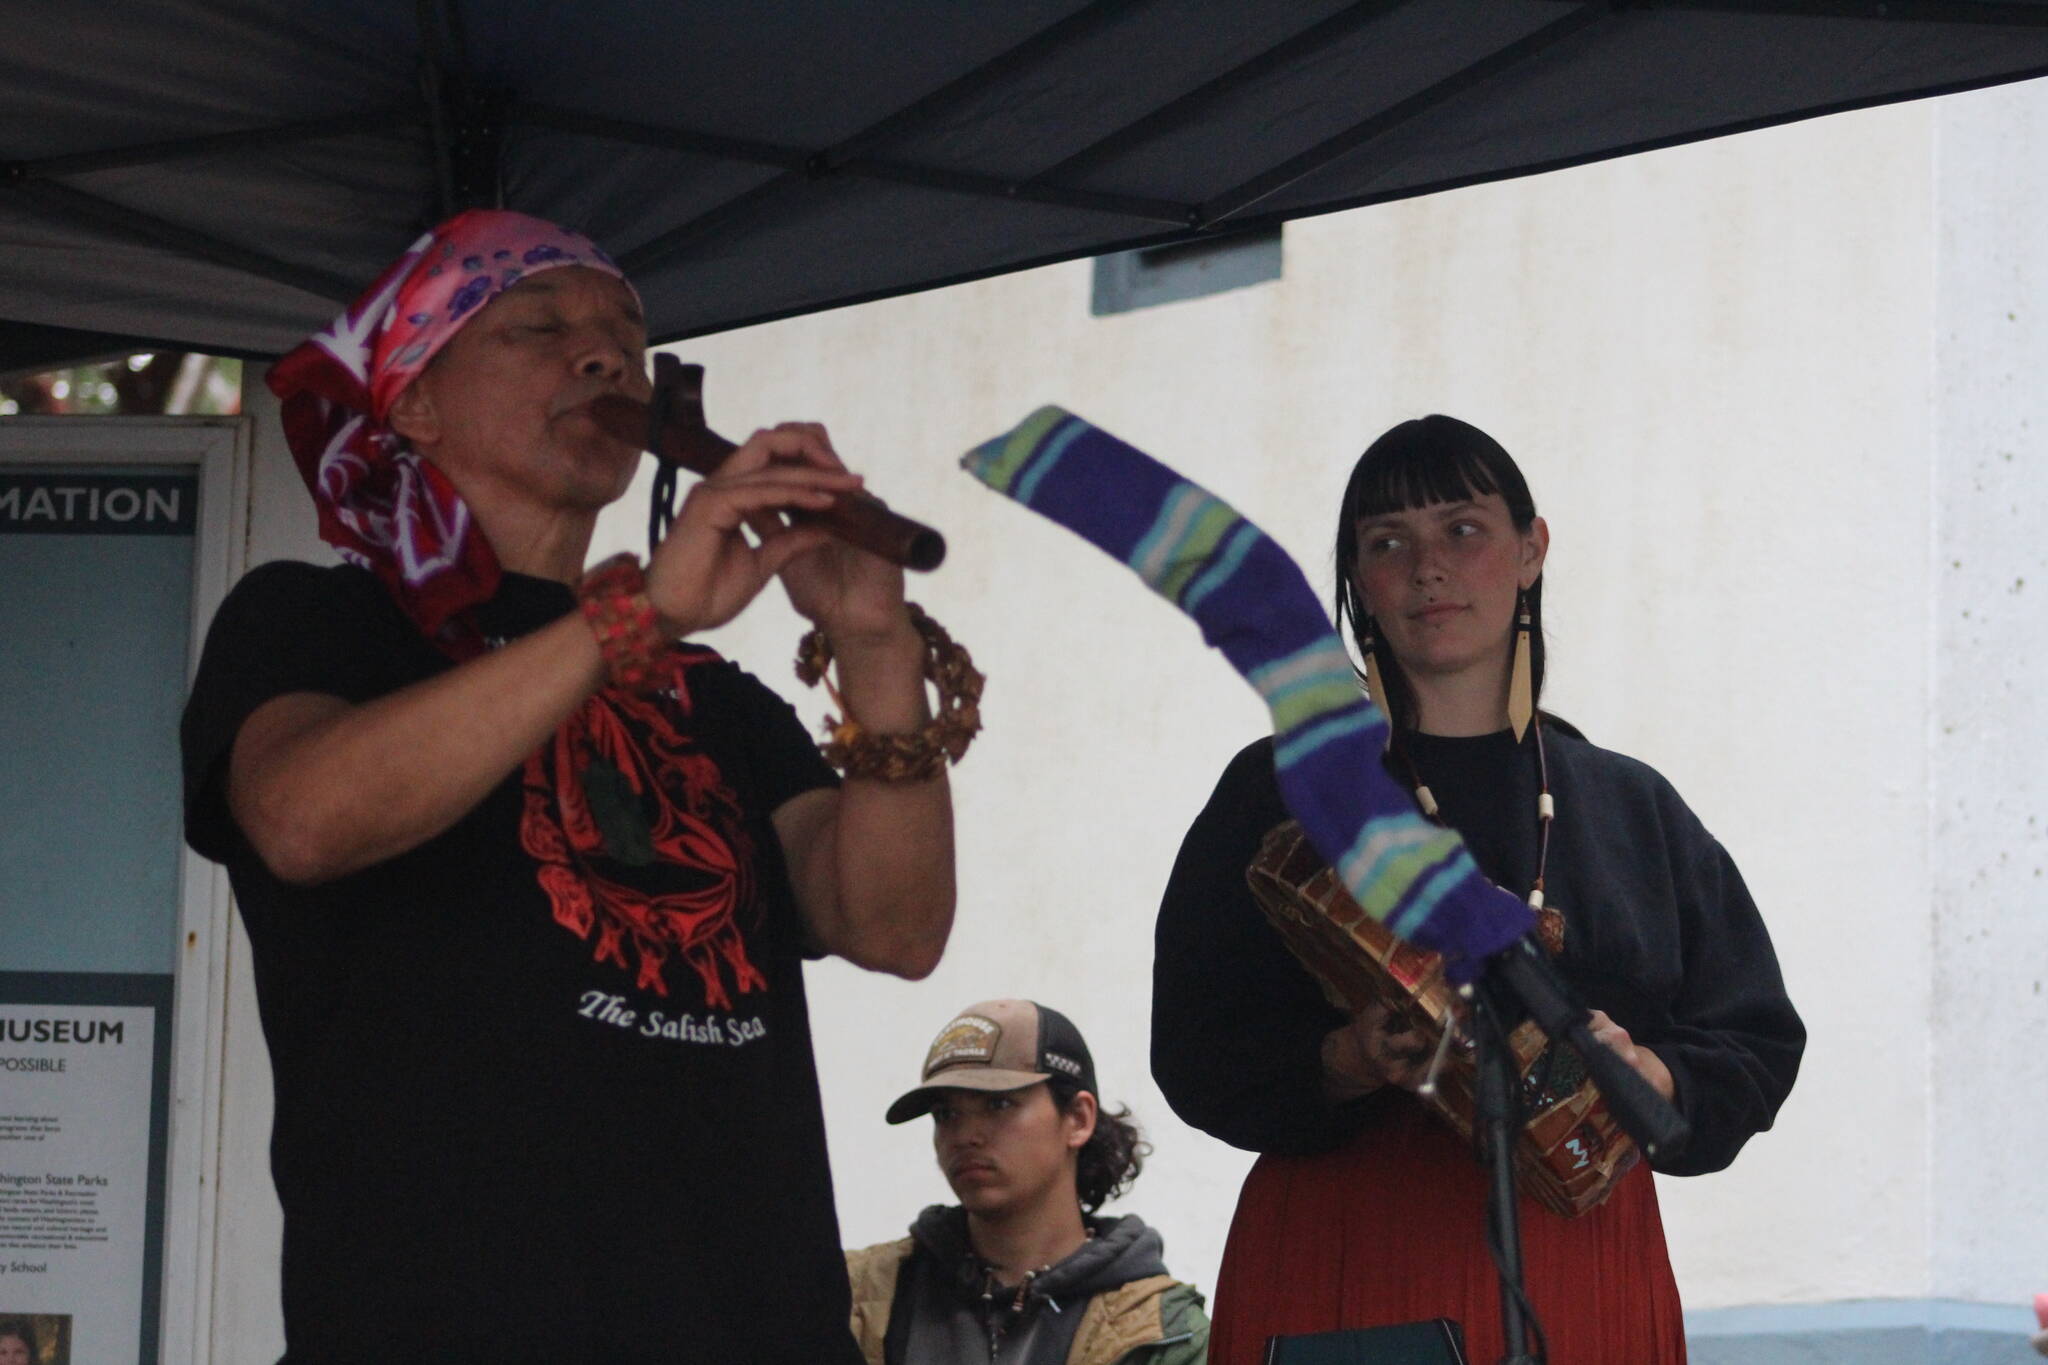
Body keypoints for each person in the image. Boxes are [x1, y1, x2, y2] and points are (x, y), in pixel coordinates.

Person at [180, 209, 966, 1363]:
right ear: (412, 401)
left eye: (624, 339)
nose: (600, 359)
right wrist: (636, 610)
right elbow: (303, 820)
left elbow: (895, 927)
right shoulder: (317, 621)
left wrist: (877, 652)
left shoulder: (717, 697)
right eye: (537, 328)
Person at [1151, 415, 1805, 1364]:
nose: (1428, 568)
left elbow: (1756, 1037)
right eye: (1388, 543)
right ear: (1357, 581)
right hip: (1348, 1251)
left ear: (1531, 549)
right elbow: (1195, 1044)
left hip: (1583, 1253)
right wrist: (1346, 1055)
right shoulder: (1283, 789)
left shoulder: (1631, 804)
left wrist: (1650, 1076)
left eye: (1463, 528)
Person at [846, 999, 1210, 1365]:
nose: (964, 1134)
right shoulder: (857, 1293)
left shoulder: (1164, 1331)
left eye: (998, 1105)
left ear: (1078, 1119)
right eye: (946, 1114)